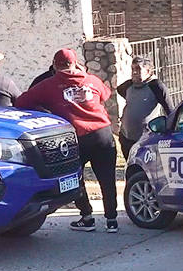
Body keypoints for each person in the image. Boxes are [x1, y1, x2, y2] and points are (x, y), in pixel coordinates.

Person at [15, 49, 120, 234]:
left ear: (55, 65)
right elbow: (106, 94)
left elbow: (21, 102)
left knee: (75, 178)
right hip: (102, 134)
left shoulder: (49, 85)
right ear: (75, 63)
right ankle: (112, 220)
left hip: (74, 138)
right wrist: (85, 76)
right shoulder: (91, 80)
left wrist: (44, 109)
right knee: (107, 177)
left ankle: (87, 217)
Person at [116, 57, 175, 159]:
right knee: (130, 168)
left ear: (148, 71)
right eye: (133, 69)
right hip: (126, 137)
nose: (134, 72)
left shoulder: (156, 86)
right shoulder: (129, 85)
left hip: (146, 139)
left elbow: (170, 110)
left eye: (138, 69)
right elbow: (119, 89)